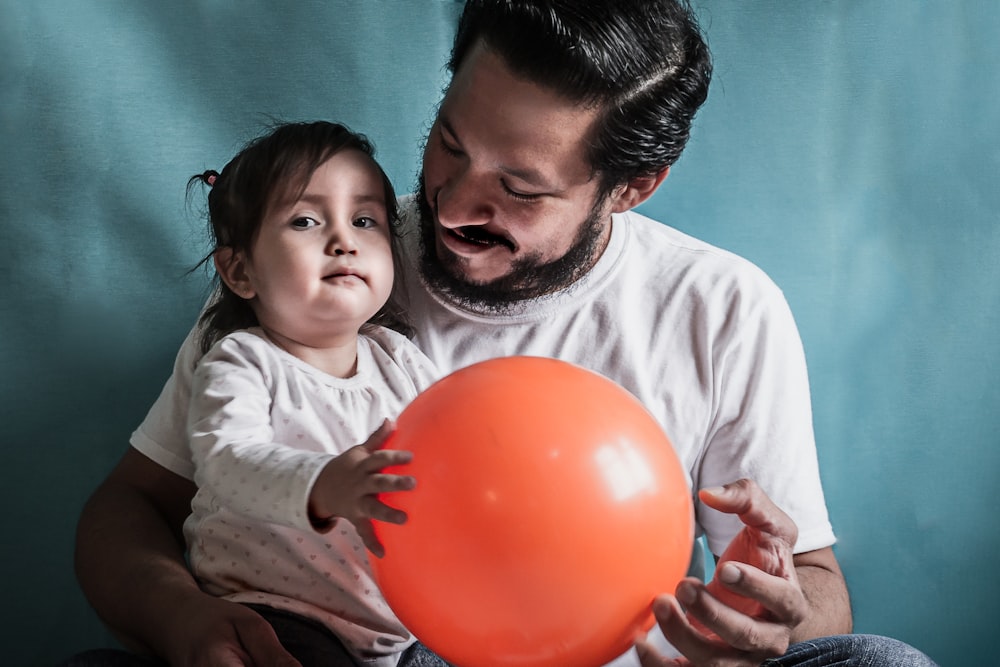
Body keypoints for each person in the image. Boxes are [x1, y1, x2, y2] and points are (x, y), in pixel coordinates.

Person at [71, 2, 939, 666]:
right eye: (449, 143)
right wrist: (181, 616)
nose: (450, 204)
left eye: (519, 188)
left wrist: (772, 613)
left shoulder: (723, 306)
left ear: (632, 187)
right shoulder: (319, 265)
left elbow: (819, 590)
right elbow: (129, 507)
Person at [179, 120, 443, 667]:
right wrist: (325, 485)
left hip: (404, 630)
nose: (345, 240)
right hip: (276, 616)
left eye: (365, 220)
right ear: (239, 269)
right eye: (305, 220)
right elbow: (225, 460)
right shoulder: (243, 362)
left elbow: (456, 455)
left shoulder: (401, 361)